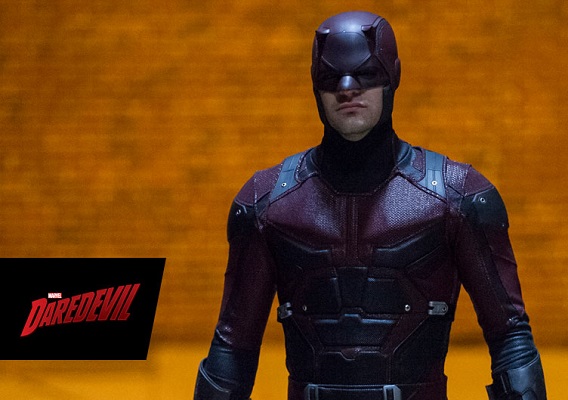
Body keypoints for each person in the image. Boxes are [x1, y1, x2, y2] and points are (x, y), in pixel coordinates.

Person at [194, 10, 547, 400]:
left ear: (391, 77)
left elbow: (510, 338)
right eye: (332, 78)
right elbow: (232, 350)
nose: (348, 89)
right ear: (315, 85)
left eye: (365, 74)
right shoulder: (266, 204)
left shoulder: (458, 198)